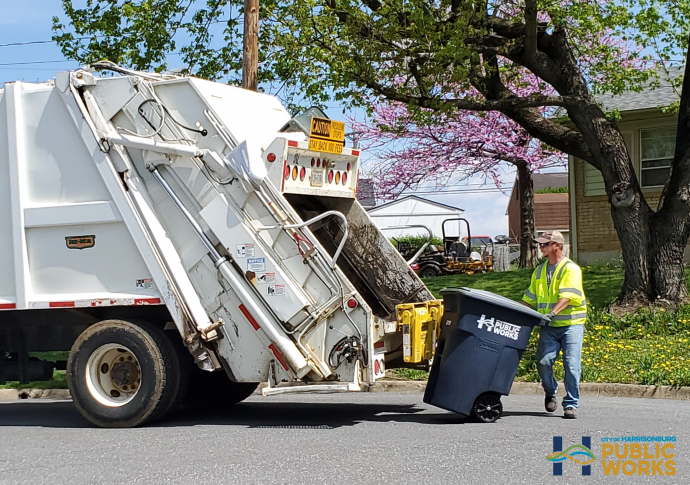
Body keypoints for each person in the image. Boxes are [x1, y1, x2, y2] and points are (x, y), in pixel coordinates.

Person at [521, 231, 586, 419]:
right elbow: (529, 298)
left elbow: (568, 296)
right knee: (543, 361)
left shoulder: (570, 269)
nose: (541, 247)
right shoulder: (539, 271)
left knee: (571, 365)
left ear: (557, 245)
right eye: (540, 245)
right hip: (548, 326)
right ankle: (551, 392)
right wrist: (515, 313)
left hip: (571, 325)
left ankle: (571, 404)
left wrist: (553, 312)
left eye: (545, 244)